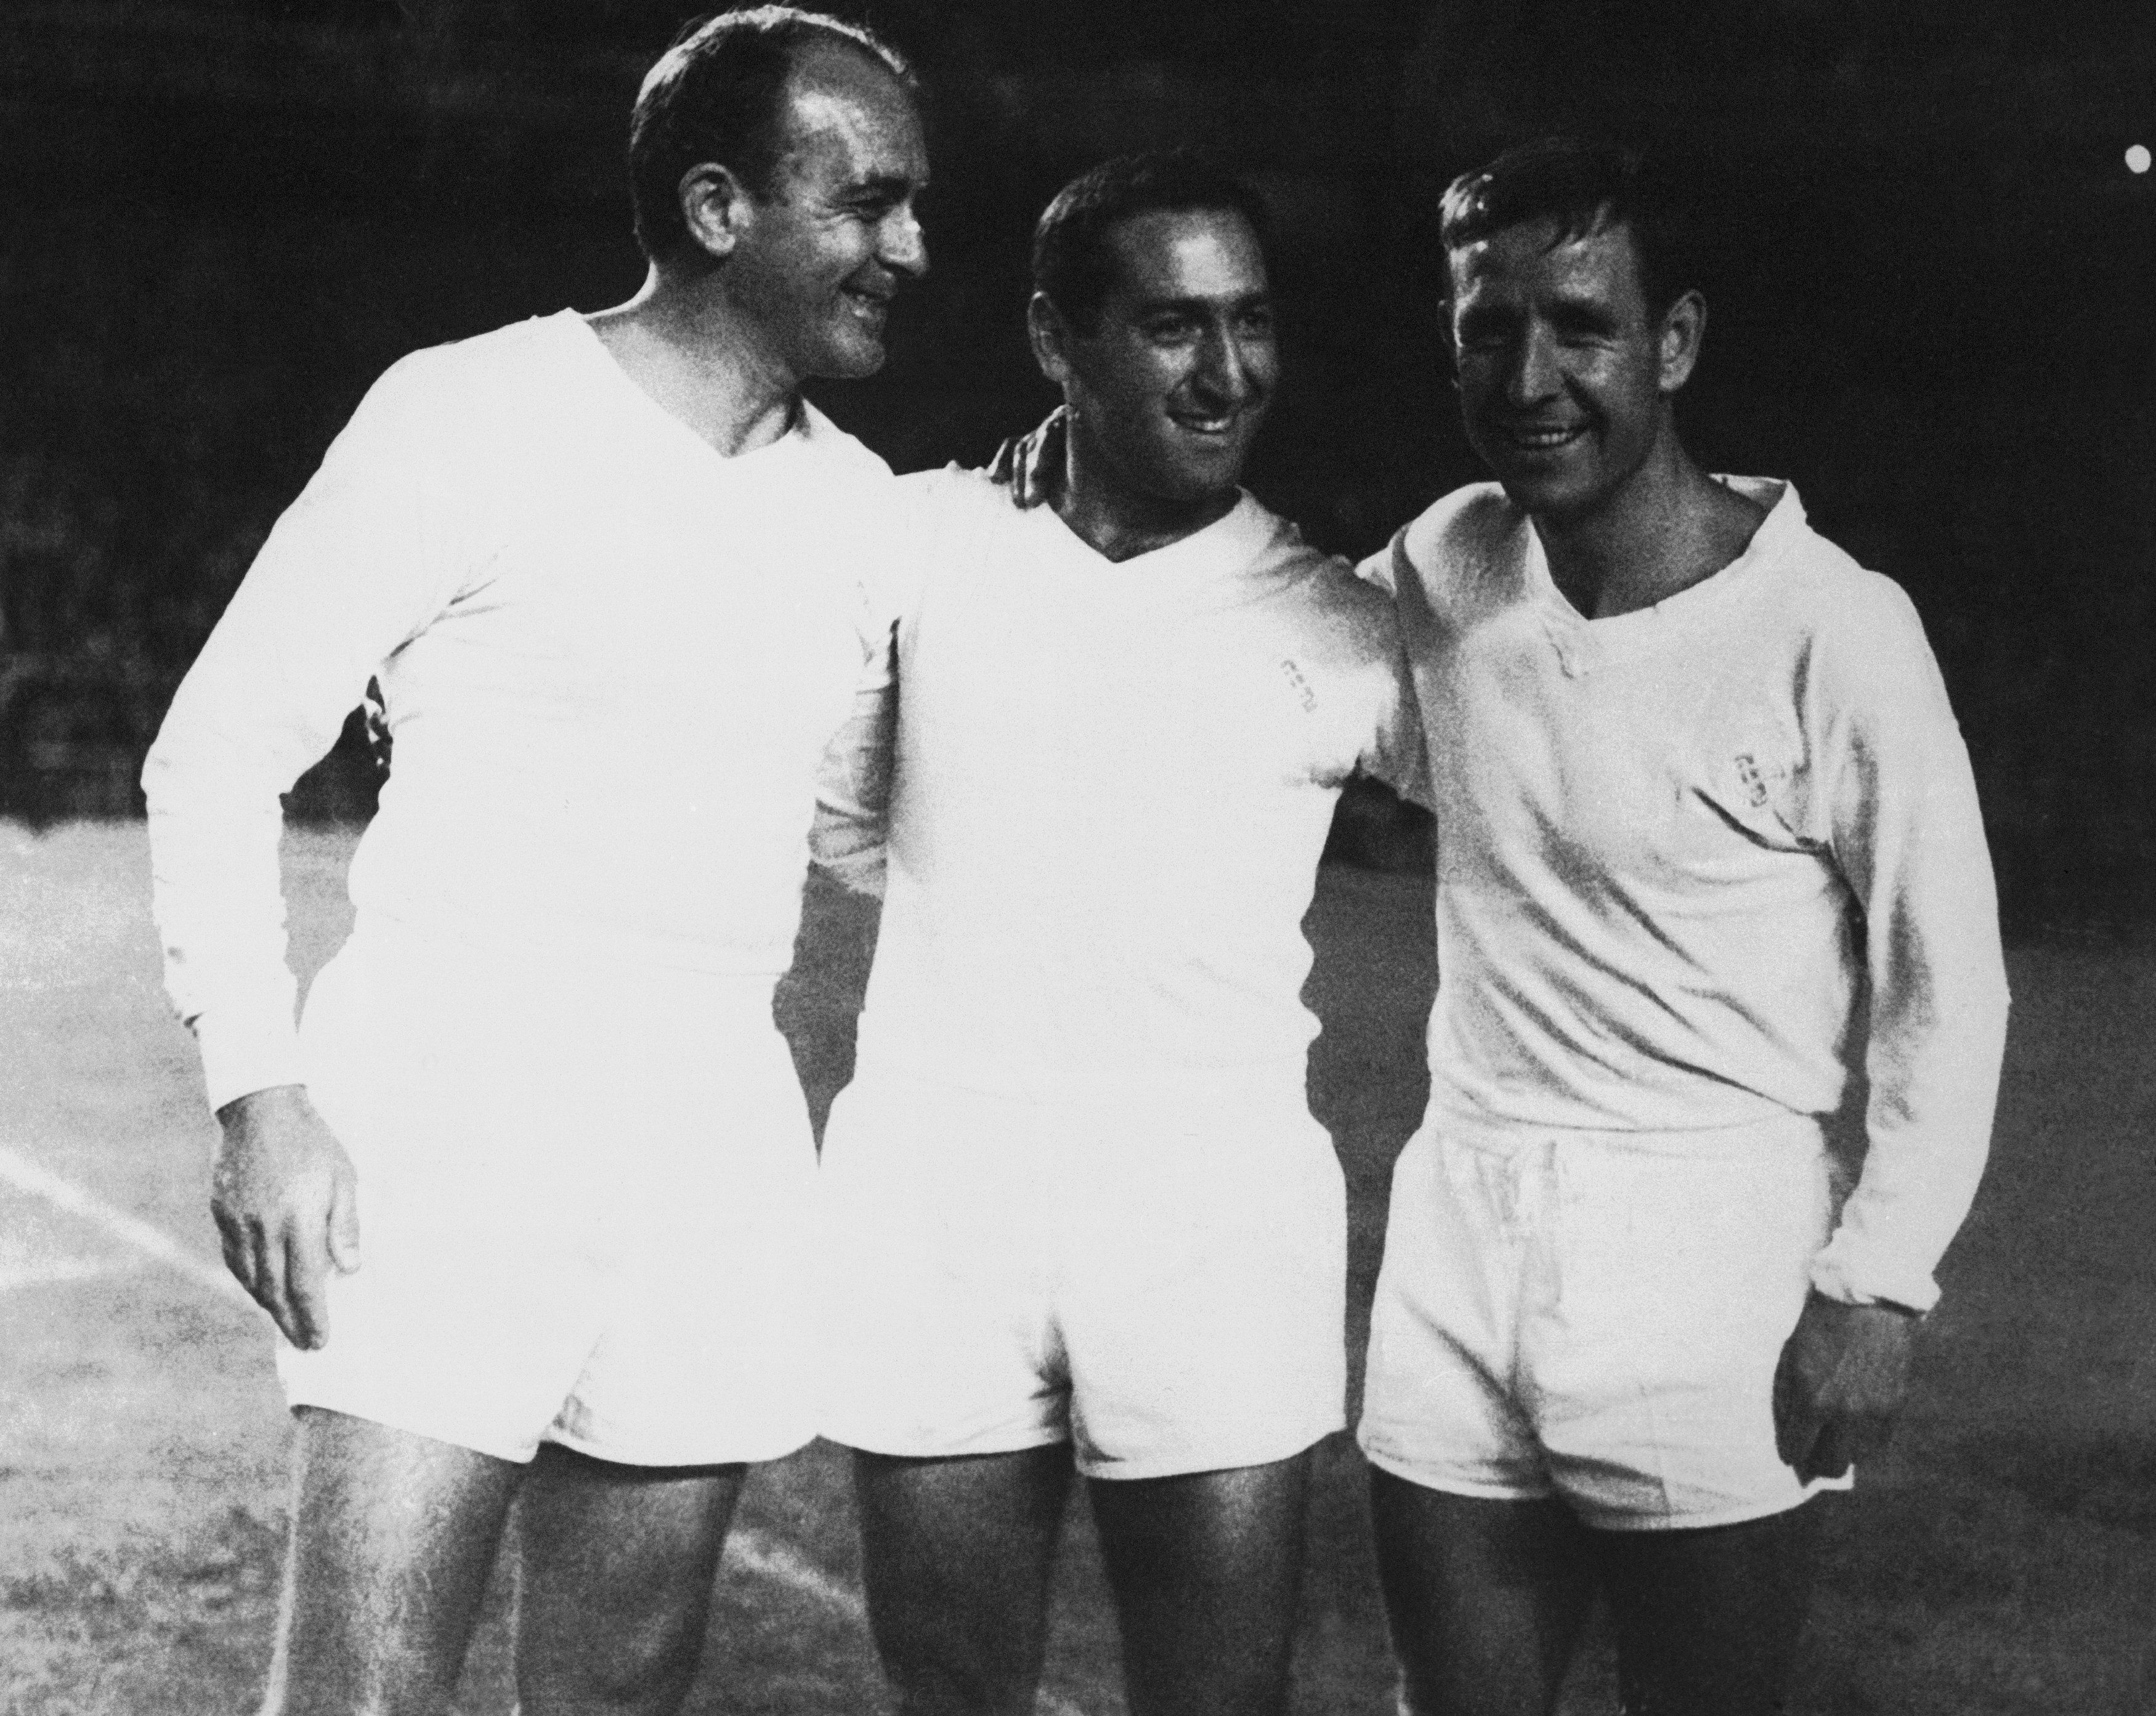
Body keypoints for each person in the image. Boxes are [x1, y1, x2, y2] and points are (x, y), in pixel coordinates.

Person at [140, 10, 928, 1712]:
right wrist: (259, 1096)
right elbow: (212, 752)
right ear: (720, 208)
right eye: (865, 202)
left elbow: (867, 835)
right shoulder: (466, 411)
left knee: (617, 1700)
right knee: (360, 1693)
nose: (908, 246)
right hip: (448, 1111)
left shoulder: (866, 512)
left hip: (713, 1140)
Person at [1354, 136, 2011, 1715]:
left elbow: (1951, 981)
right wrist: (1068, 472)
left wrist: (1879, 1282)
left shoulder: (1831, 627)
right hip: (1458, 1232)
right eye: (1486, 330)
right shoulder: (1447, 566)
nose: (1530, 376)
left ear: (1675, 341)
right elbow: (1254, 656)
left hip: (1715, 1246)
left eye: (1580, 326)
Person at [810, 150, 1425, 1716]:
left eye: (1252, 323)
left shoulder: (1347, 627)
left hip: (1209, 1215)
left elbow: (1555, 797)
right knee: (949, 1690)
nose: (1228, 374)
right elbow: (840, 823)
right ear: (1053, 339)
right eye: (1170, 327)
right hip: (940, 1194)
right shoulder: (918, 542)